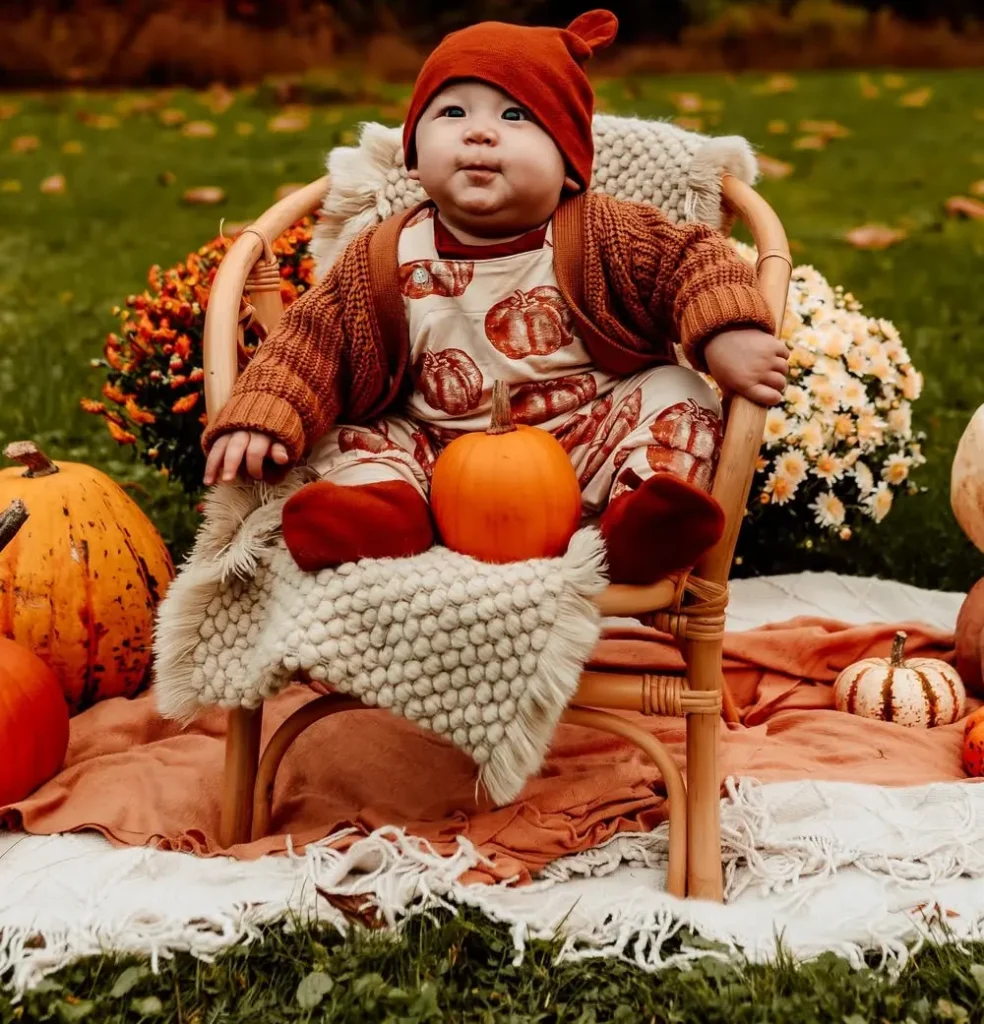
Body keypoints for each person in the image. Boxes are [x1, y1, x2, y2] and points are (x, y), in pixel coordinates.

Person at [201, 9, 787, 585]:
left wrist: (726, 330)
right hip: (437, 459)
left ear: (569, 164)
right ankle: (383, 517)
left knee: (680, 391)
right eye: (452, 112)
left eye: (515, 116)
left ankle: (637, 524)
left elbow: (692, 260)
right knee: (347, 440)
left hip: (586, 440)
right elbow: (310, 343)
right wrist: (263, 415)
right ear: (414, 156)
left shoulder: (604, 231)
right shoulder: (381, 256)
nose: (479, 132)